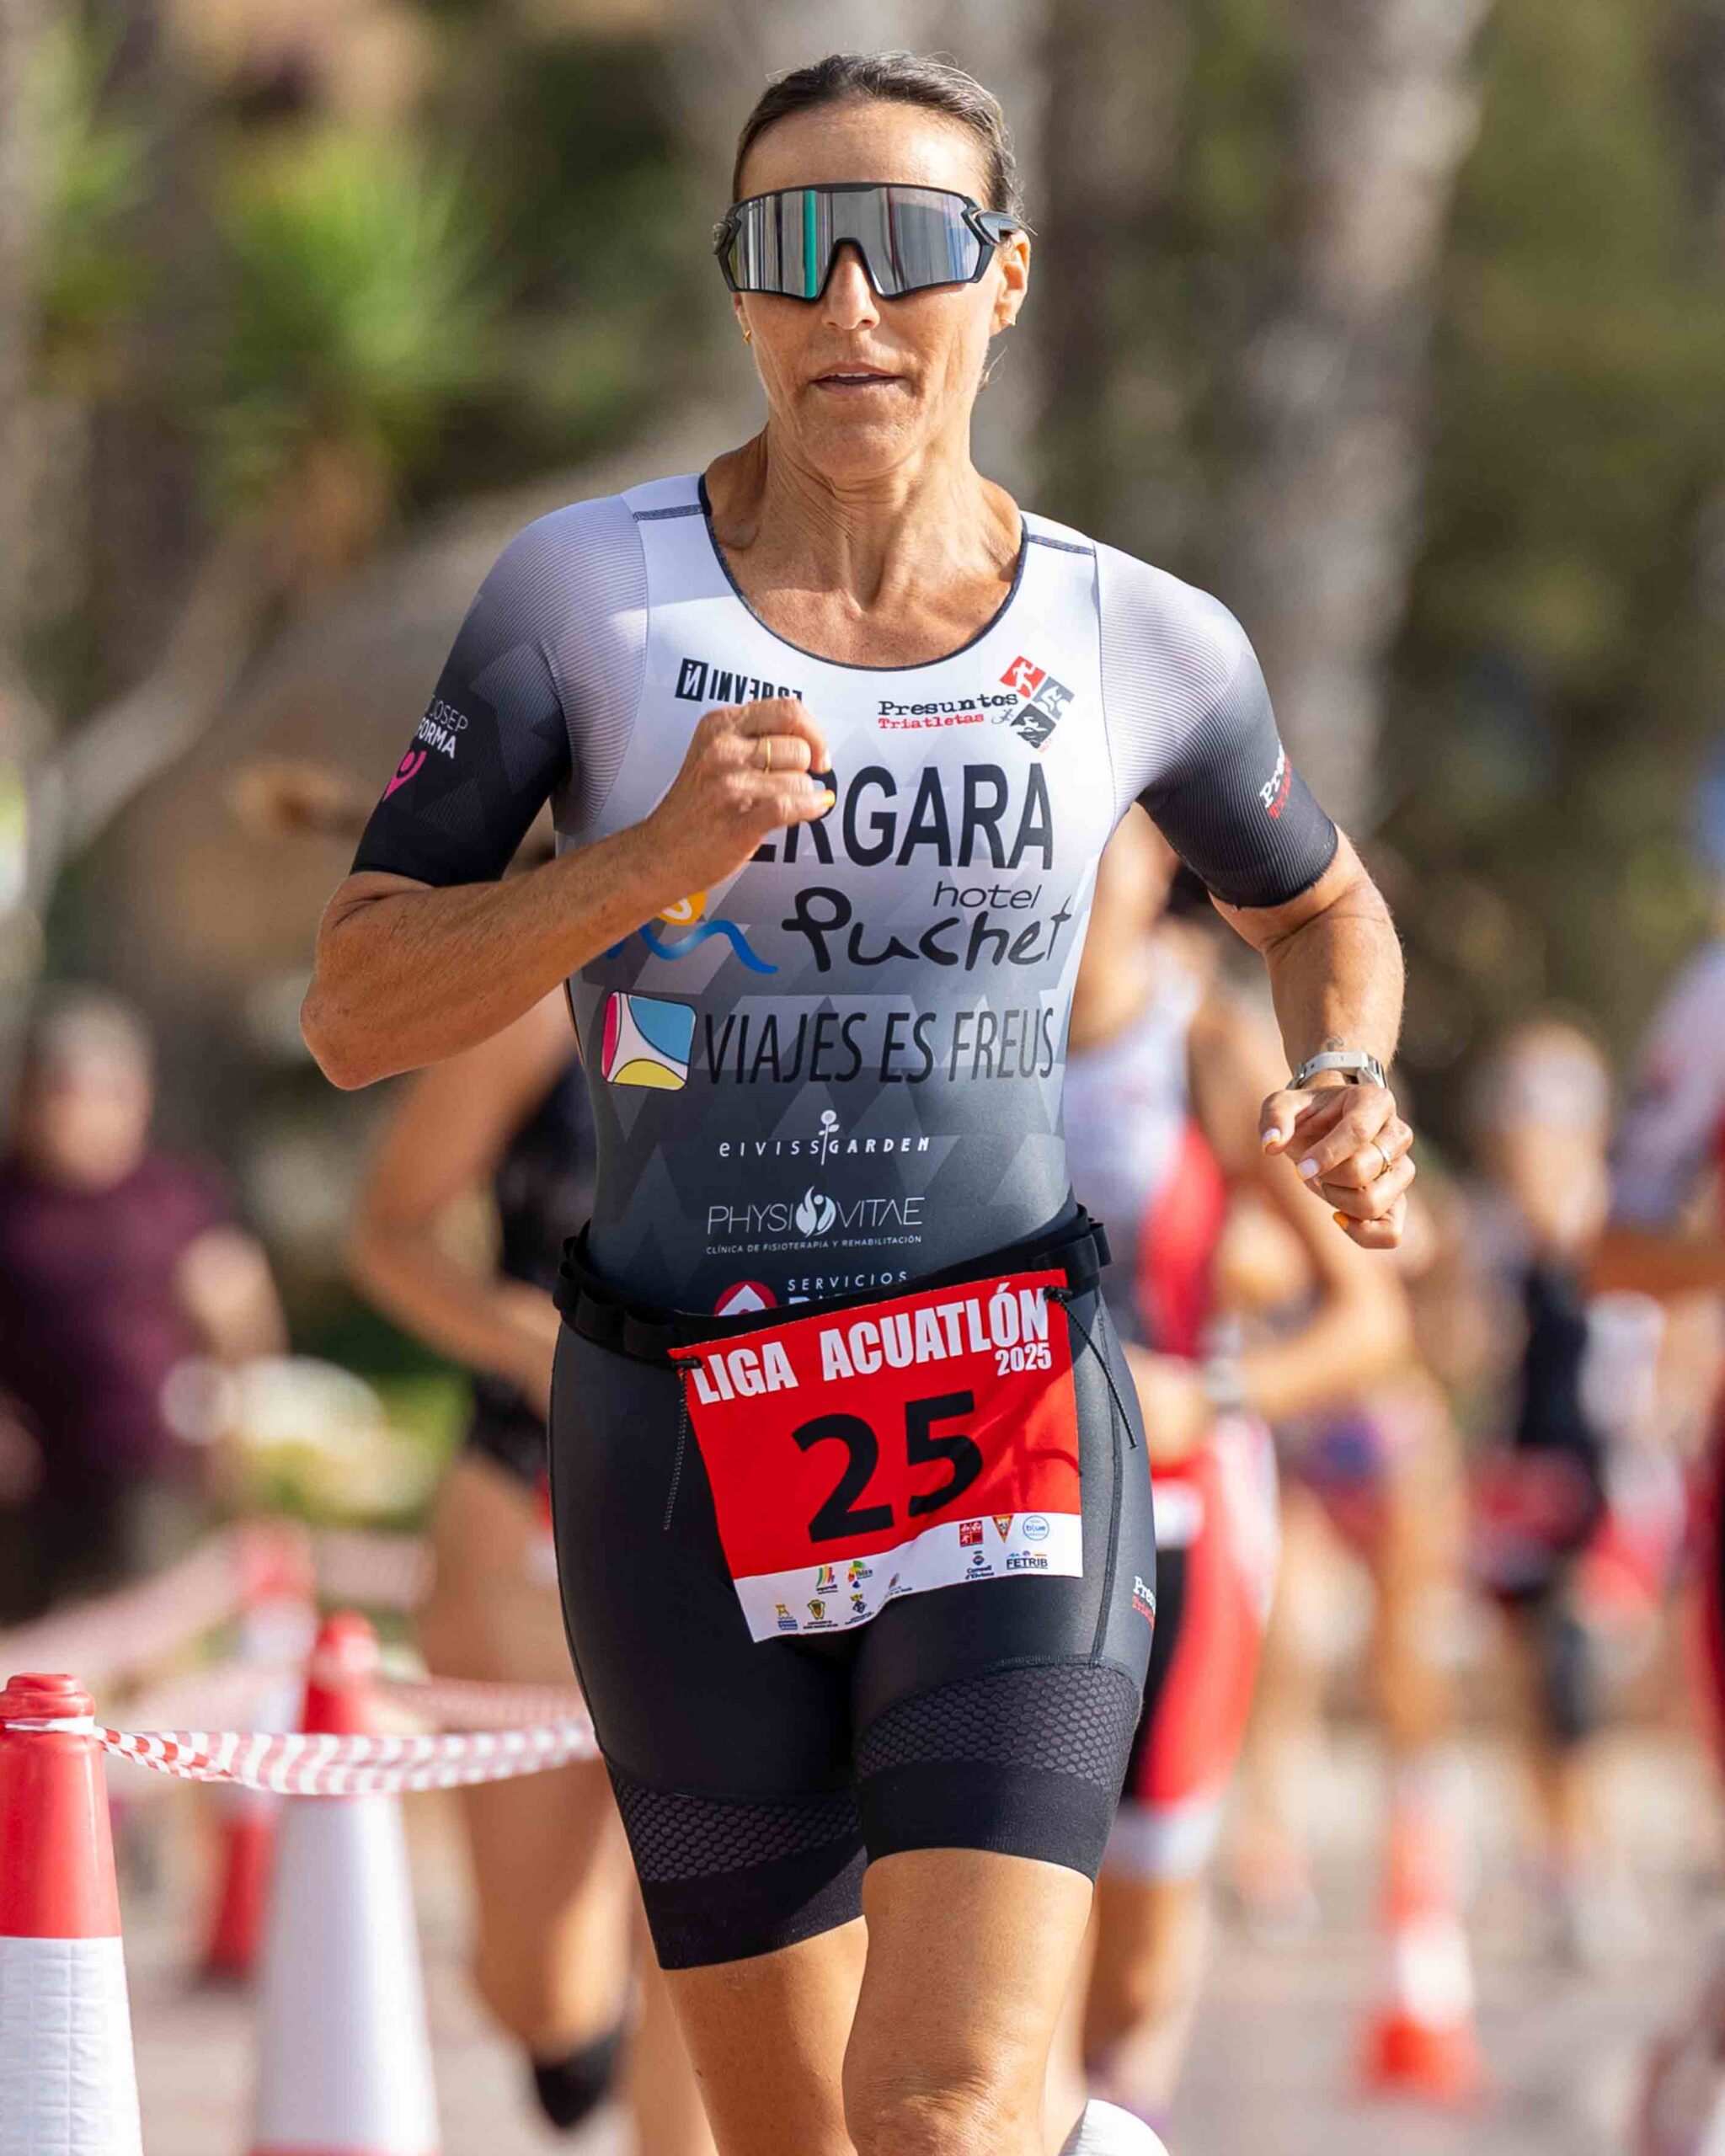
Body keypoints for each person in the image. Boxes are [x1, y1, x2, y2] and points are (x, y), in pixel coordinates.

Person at [301, 52, 1413, 2156]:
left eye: (901, 247)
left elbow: (1320, 905)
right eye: (786, 250)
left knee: (939, 2100)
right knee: (793, 2136)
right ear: (733, 290)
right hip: (673, 1435)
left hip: (1001, 1406)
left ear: (1003, 282)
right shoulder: (584, 598)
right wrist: (643, 862)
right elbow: (356, 1004)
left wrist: (1341, 1062)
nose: (845, 305)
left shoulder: (1135, 633)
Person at [1049, 820, 1411, 2126]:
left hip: (1181, 1525)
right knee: (1005, 1930)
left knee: (1134, 1974)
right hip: (1006, 1517)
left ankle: (1115, 2105)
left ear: (1159, 857)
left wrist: (1208, 1395)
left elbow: (1371, 1324)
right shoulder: (960, 1022)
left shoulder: (1204, 1045)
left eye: (1108, 835)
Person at [1466, 1018, 1680, 1968]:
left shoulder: (1620, 1220)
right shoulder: (1491, 1233)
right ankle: (1557, 1860)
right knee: (1528, 1681)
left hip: (1609, 1476)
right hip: (1521, 1476)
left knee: (1574, 1667)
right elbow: (1469, 1356)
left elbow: (1665, 1344)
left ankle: (1596, 1861)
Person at [0, 986, 286, 1621]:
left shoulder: (172, 1197)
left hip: (144, 1470)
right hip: (28, 1485)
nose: (86, 1115)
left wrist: (231, 1424)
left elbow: (241, 1315)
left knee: (140, 1634)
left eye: (109, 1094)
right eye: (64, 1093)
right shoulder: (11, 1200)